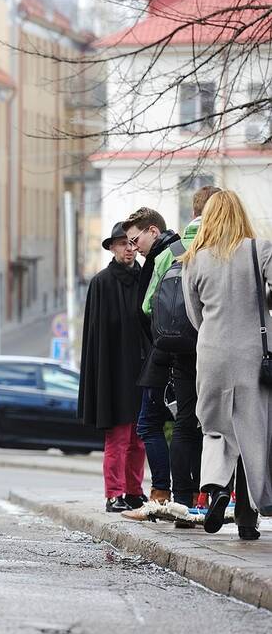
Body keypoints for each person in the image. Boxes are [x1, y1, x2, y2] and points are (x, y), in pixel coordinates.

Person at [181, 190, 270, 541]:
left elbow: (195, 315)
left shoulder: (194, 260)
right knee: (253, 431)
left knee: (216, 428)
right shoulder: (259, 249)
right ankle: (249, 517)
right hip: (254, 357)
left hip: (213, 354)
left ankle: (217, 488)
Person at [135, 186, 219, 518]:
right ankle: (218, 495)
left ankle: (183, 500)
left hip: (182, 349)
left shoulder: (174, 249)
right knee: (220, 426)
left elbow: (146, 305)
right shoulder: (227, 245)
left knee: (185, 423)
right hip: (218, 345)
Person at [78, 222, 147, 513]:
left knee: (140, 438)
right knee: (118, 438)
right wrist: (102, 378)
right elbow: (96, 336)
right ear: (112, 247)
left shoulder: (146, 277)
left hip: (141, 369)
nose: (129, 249)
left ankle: (134, 490)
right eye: (123, 244)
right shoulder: (102, 282)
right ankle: (114, 493)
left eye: (132, 243)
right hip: (113, 371)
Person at [124, 207, 180, 508]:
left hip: (164, 351)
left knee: (148, 423)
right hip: (171, 350)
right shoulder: (175, 249)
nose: (134, 247)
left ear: (153, 231)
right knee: (182, 423)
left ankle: (162, 492)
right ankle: (180, 492)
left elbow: (147, 307)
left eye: (136, 239)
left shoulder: (163, 256)